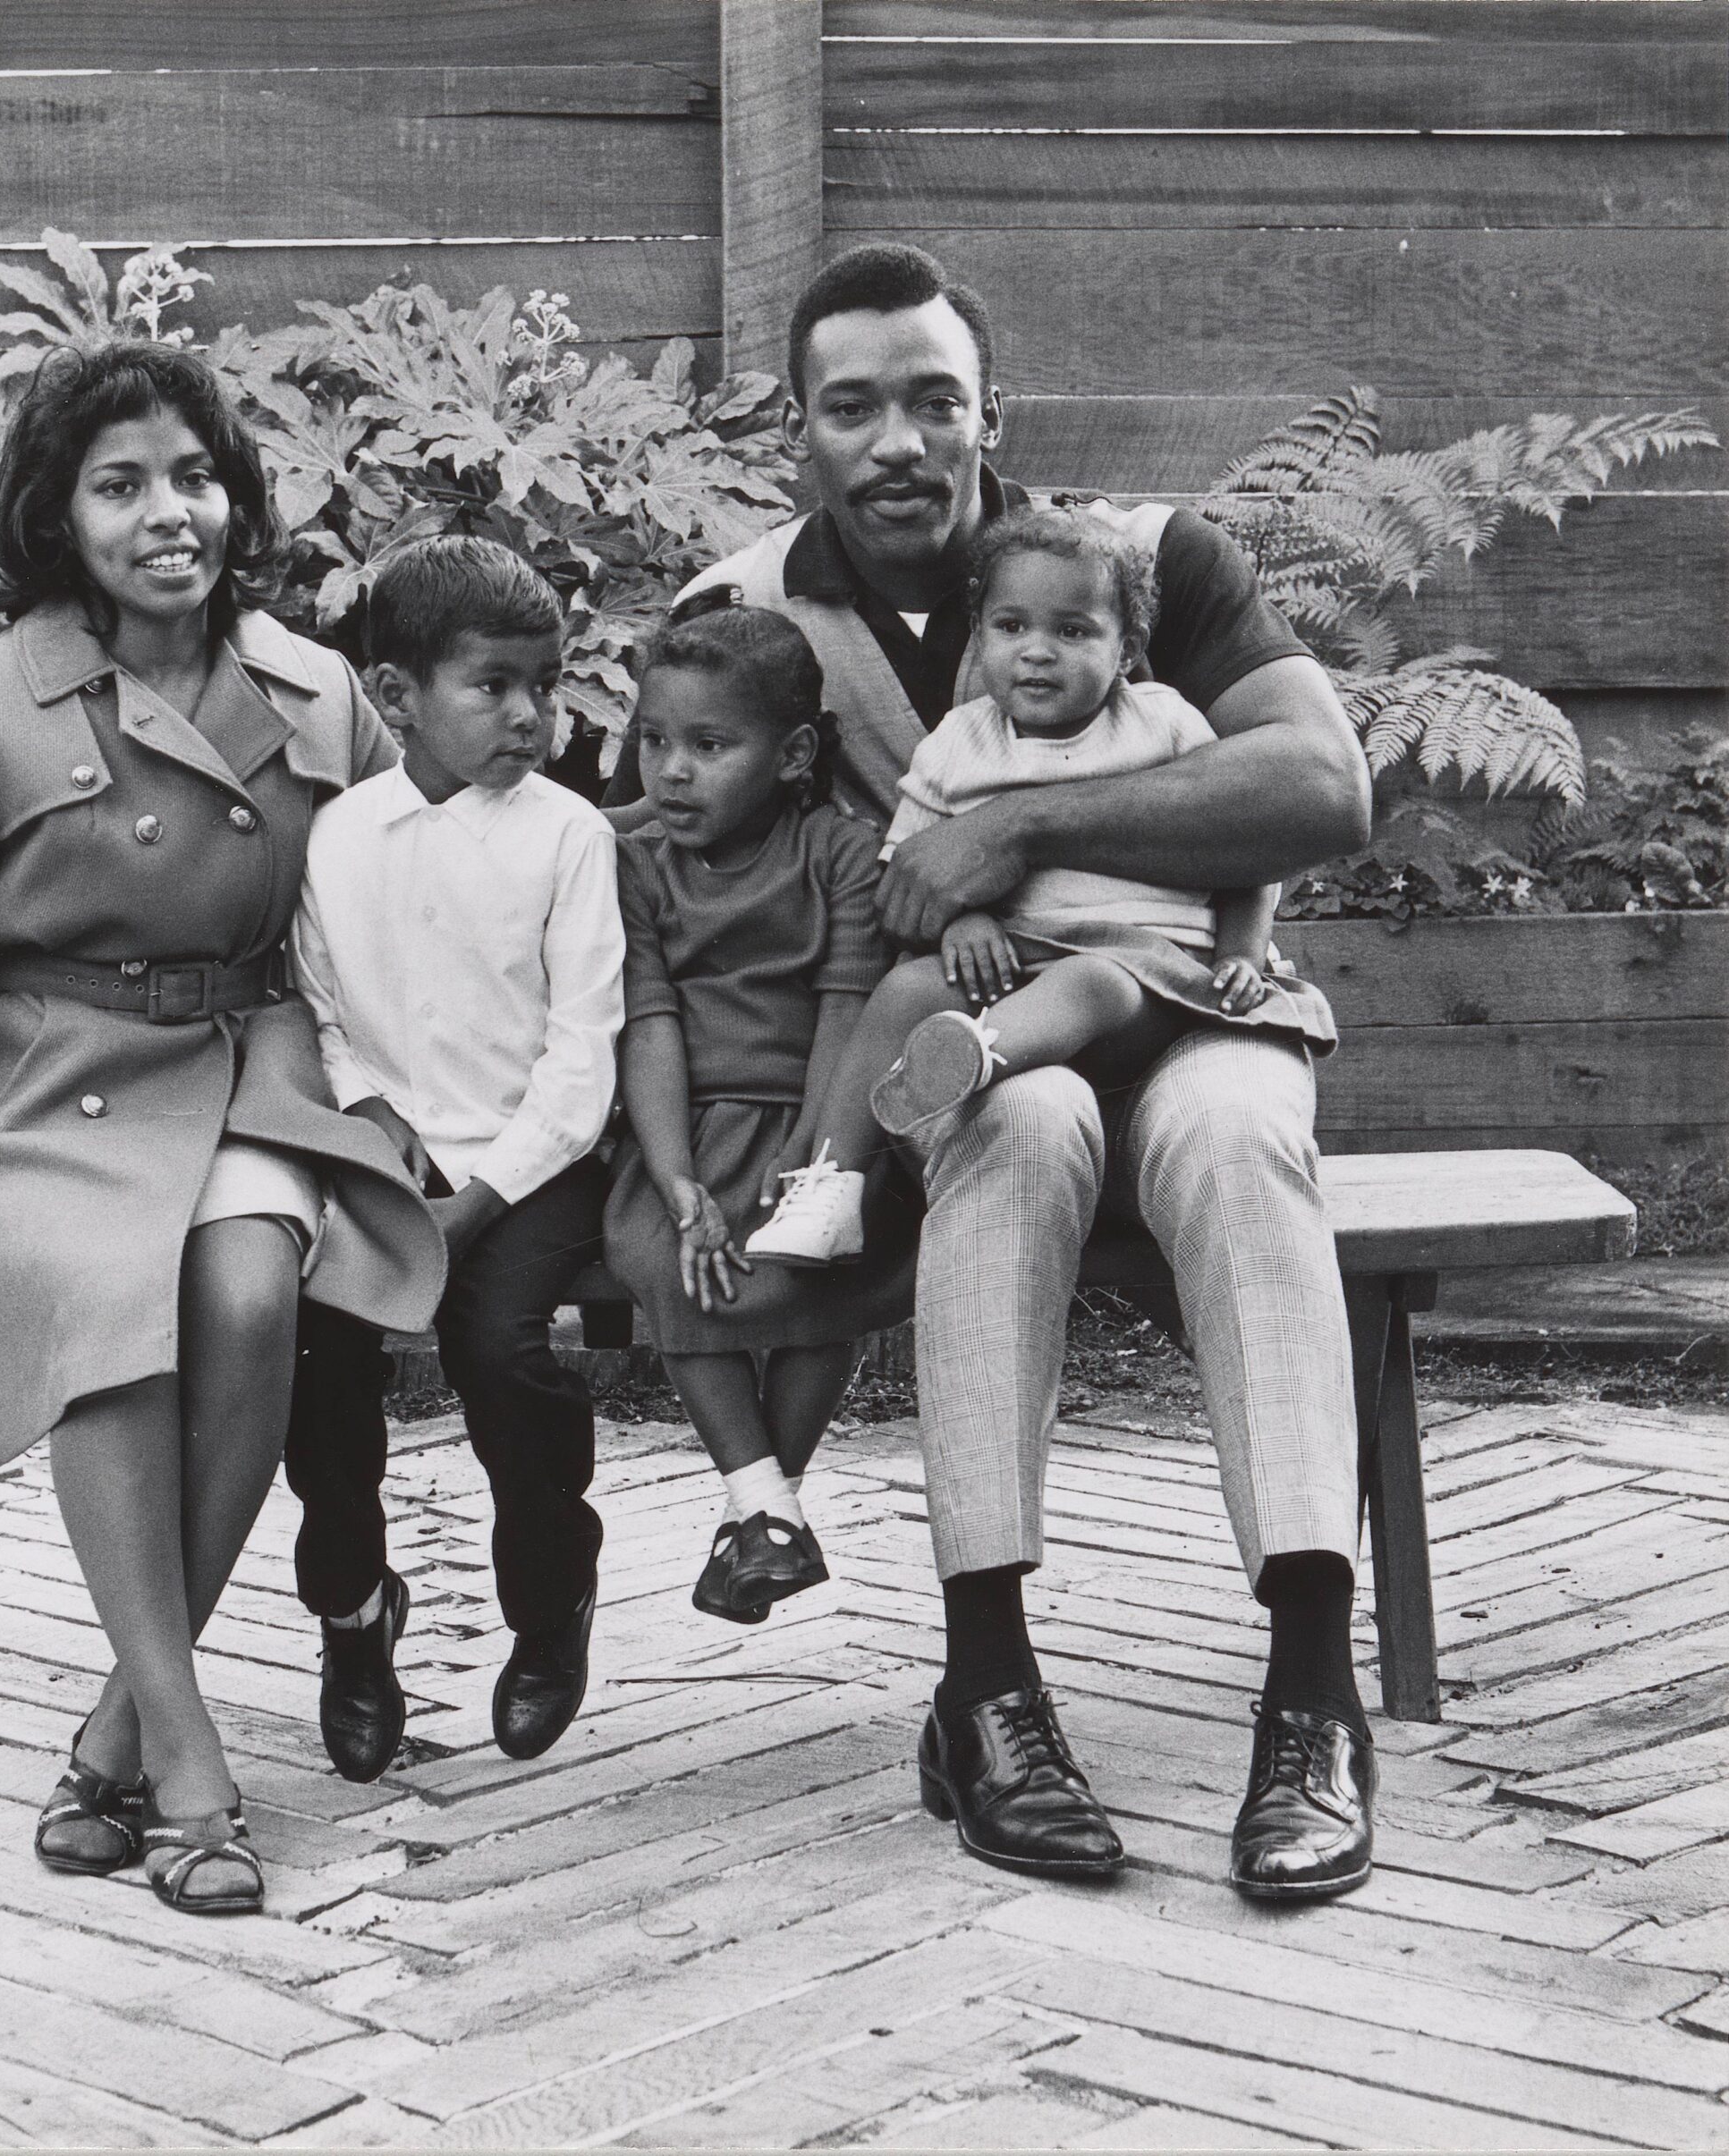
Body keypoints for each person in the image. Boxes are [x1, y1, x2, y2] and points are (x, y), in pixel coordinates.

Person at [608, 243, 1379, 1901]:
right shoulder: (741, 620)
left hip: (1193, 1007)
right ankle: (989, 1692)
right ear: (799, 433)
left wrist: (1016, 826)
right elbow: (665, 892)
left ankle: (1314, 1692)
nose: (899, 439)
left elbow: (1323, 785)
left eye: (934, 400)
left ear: (988, 415)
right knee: (1010, 1124)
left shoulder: (1143, 557)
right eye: (854, 406)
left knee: (1245, 1136)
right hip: (970, 1048)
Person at [0, 341, 444, 1915]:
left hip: (250, 1062)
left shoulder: (319, 696)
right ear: (57, 516)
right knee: (120, 1312)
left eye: (193, 478)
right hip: (46, 1088)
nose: (168, 513)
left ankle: (115, 1726)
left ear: (236, 499)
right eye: (120, 485)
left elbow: (400, 930)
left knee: (245, 1287)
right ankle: (185, 1762)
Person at [751, 504, 1336, 1264]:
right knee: (906, 992)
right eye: (1011, 626)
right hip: (1014, 966)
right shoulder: (958, 743)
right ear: (980, 633)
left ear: (1127, 648)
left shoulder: (1162, 723)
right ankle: (830, 1186)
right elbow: (910, 870)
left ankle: (976, 1062)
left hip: (1148, 978)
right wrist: (958, 924)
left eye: (1072, 631)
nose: (1036, 653)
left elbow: (1251, 852)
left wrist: (1244, 953)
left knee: (1089, 982)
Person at [284, 536, 624, 1780]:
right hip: (384, 1160)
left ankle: (548, 1602)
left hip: (529, 1168)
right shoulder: (334, 839)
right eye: (494, 685)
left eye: (547, 681)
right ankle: (354, 1609)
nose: (531, 713)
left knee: (502, 1348)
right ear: (394, 693)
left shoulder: (569, 837)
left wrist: (477, 1201)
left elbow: (586, 1050)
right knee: (315, 1356)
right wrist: (372, 1122)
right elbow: (320, 1009)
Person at [602, 593, 917, 1623]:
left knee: (832, 1266)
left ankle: (758, 1515)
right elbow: (646, 1020)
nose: (672, 770)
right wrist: (677, 1177)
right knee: (667, 1255)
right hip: (687, 1125)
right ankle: (763, 1509)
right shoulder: (637, 862)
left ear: (789, 755)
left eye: (707, 744)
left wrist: (812, 1162)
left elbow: (844, 1011)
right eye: (653, 741)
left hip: (827, 1119)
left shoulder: (837, 851)